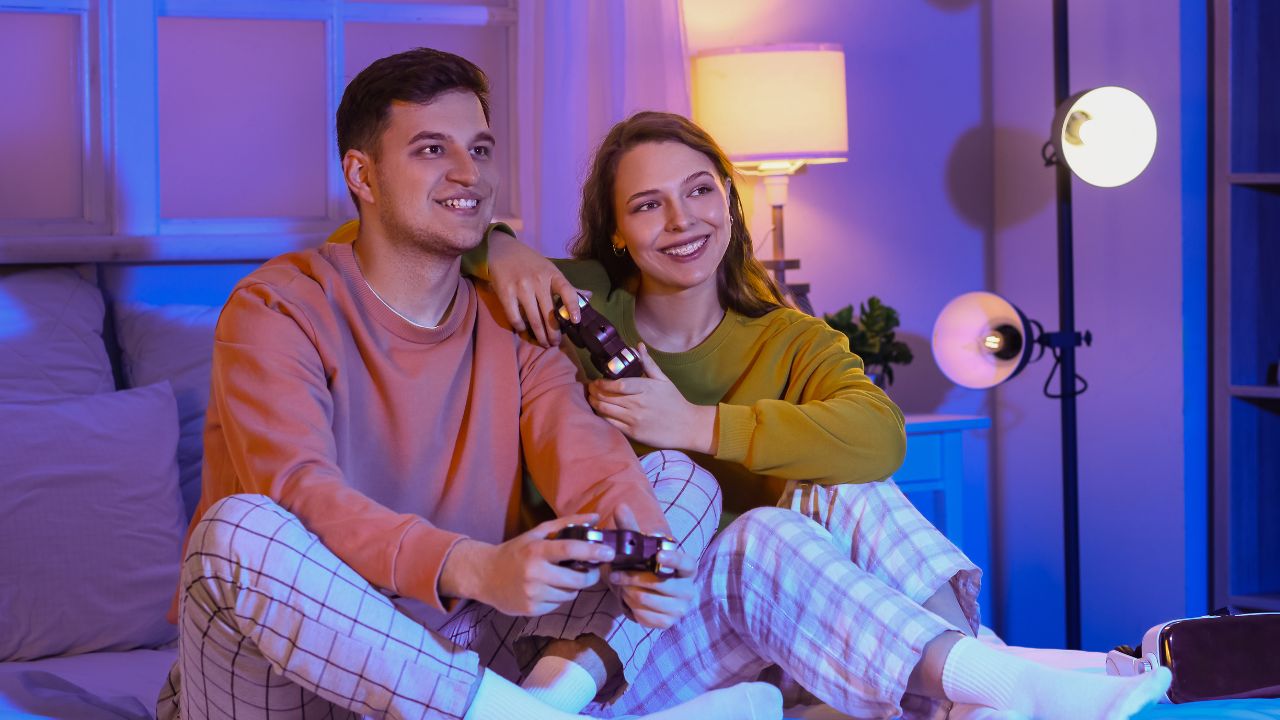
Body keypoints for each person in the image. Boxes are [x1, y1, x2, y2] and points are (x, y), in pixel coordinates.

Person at [331, 110, 1172, 720]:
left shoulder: (790, 336)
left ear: (730, 203)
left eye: (699, 192)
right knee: (762, 535)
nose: (682, 220)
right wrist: (502, 243)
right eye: (648, 205)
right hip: (623, 636)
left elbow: (880, 437)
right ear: (617, 234)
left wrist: (691, 421)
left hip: (784, 612)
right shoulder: (580, 305)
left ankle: (967, 695)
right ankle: (985, 688)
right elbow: (397, 235)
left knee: (844, 491)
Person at [157, 52, 784, 720]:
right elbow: (302, 495)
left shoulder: (511, 317)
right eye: (432, 149)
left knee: (680, 487)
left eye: (479, 149)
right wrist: (474, 567)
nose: (468, 174)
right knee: (239, 528)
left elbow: (590, 461)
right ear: (361, 175)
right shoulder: (277, 307)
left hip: (461, 667)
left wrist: (647, 556)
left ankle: (538, 709)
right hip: (290, 670)